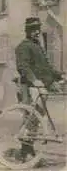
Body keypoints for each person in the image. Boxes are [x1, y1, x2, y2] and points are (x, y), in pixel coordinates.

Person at [14, 17, 64, 162]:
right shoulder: (23, 46)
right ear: (27, 31)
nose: (36, 32)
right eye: (33, 30)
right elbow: (23, 67)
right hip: (29, 87)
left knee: (36, 119)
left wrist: (59, 76)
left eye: (38, 29)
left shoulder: (37, 47)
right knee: (31, 118)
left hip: (40, 87)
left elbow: (46, 67)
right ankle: (25, 152)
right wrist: (34, 80)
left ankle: (29, 151)